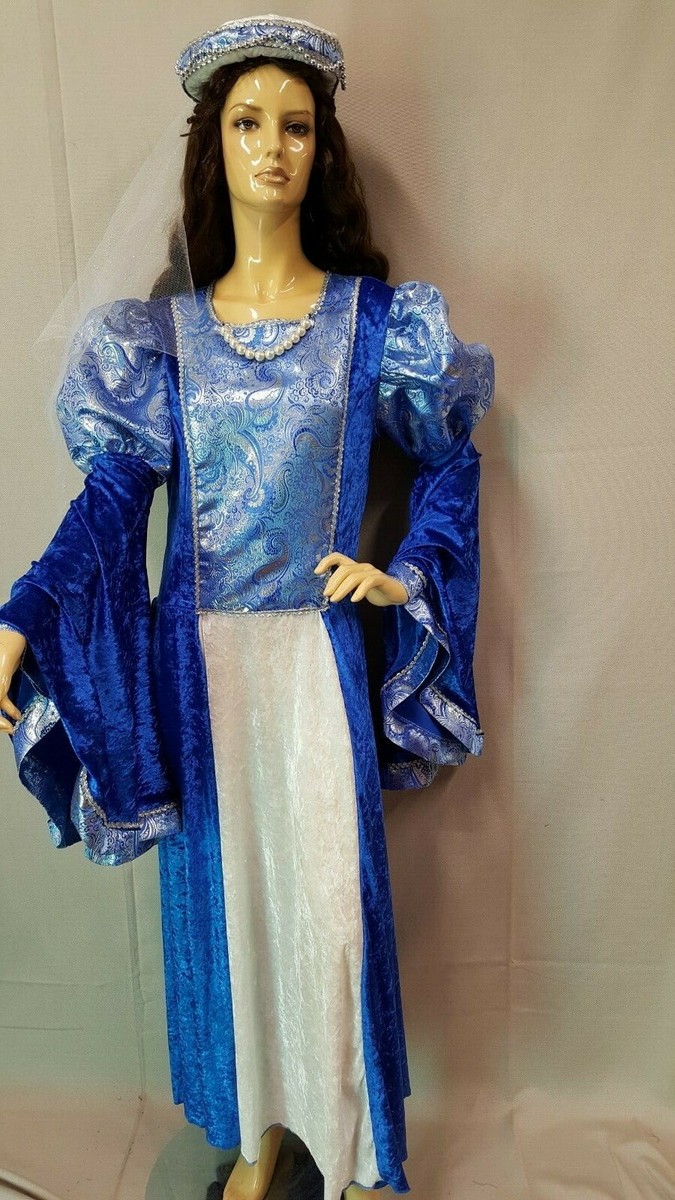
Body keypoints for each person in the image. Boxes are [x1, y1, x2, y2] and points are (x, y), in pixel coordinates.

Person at [0, 14, 494, 1200]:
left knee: (333, 915)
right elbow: (112, 503)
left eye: (297, 126)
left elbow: (450, 460)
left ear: (323, 149)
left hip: (314, 665)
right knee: (232, 915)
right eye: (247, 123)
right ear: (212, 144)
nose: (273, 148)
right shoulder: (159, 346)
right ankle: (262, 1137)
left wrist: (409, 570)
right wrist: (22, 615)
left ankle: (356, 1146)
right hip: (201, 672)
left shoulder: (376, 329)